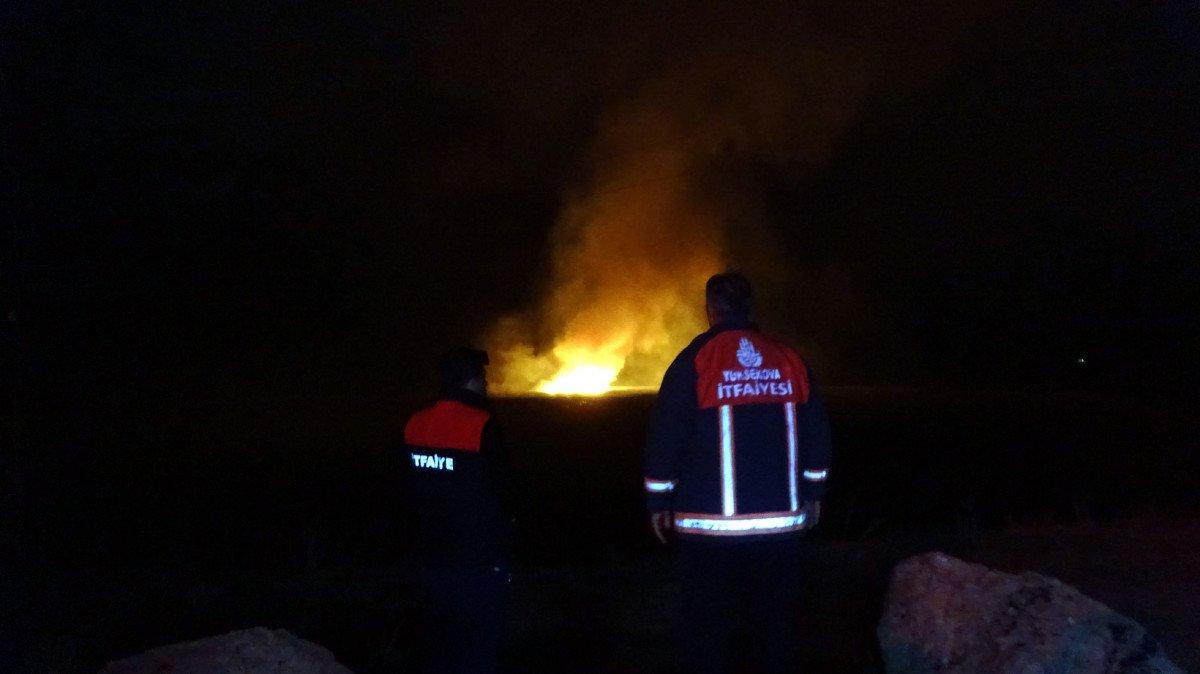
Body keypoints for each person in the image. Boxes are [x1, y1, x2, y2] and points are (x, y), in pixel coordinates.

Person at [643, 272, 832, 673]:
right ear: (752, 308)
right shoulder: (789, 359)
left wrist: (658, 500)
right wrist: (815, 494)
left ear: (710, 310)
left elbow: (667, 437)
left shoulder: (695, 361)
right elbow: (817, 434)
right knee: (774, 631)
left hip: (709, 532)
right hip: (781, 529)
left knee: (706, 633)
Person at [401, 347, 510, 674]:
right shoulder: (483, 427)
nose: (487, 383)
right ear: (471, 380)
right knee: (479, 648)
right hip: (477, 559)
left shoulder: (414, 424)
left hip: (431, 557)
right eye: (482, 376)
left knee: (440, 646)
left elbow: (404, 488)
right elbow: (503, 493)